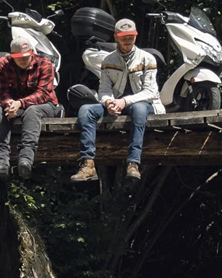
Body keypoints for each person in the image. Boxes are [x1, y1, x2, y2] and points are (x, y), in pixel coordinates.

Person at [70, 18, 165, 182]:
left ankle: (133, 163)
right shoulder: (108, 60)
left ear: (136, 36)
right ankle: (88, 164)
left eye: (130, 36)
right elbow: (104, 91)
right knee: (85, 110)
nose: (127, 40)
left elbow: (150, 92)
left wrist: (124, 101)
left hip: (145, 105)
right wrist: (108, 102)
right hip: (117, 104)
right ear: (116, 37)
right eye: (123, 37)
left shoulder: (148, 58)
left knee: (139, 109)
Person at [0, 37, 62, 179]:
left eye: (25, 57)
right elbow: (2, 93)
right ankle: (1, 162)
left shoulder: (45, 64)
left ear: (32, 53)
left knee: (33, 110)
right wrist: (9, 104)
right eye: (18, 57)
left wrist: (20, 103)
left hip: (46, 105)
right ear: (11, 55)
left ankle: (26, 159)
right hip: (16, 105)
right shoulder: (2, 64)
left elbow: (43, 94)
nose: (22, 60)